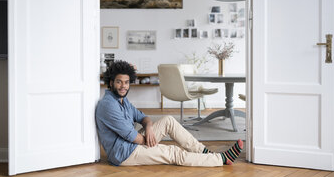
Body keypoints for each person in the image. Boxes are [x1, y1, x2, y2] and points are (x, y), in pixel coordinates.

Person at [95, 60, 243, 167]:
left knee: (168, 121)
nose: (123, 86)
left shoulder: (122, 100)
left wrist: (149, 128)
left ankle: (204, 152)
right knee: (173, 152)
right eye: (119, 82)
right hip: (124, 154)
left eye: (126, 82)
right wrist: (154, 144)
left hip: (134, 142)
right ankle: (220, 159)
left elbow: (143, 117)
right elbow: (134, 138)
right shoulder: (108, 106)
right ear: (111, 82)